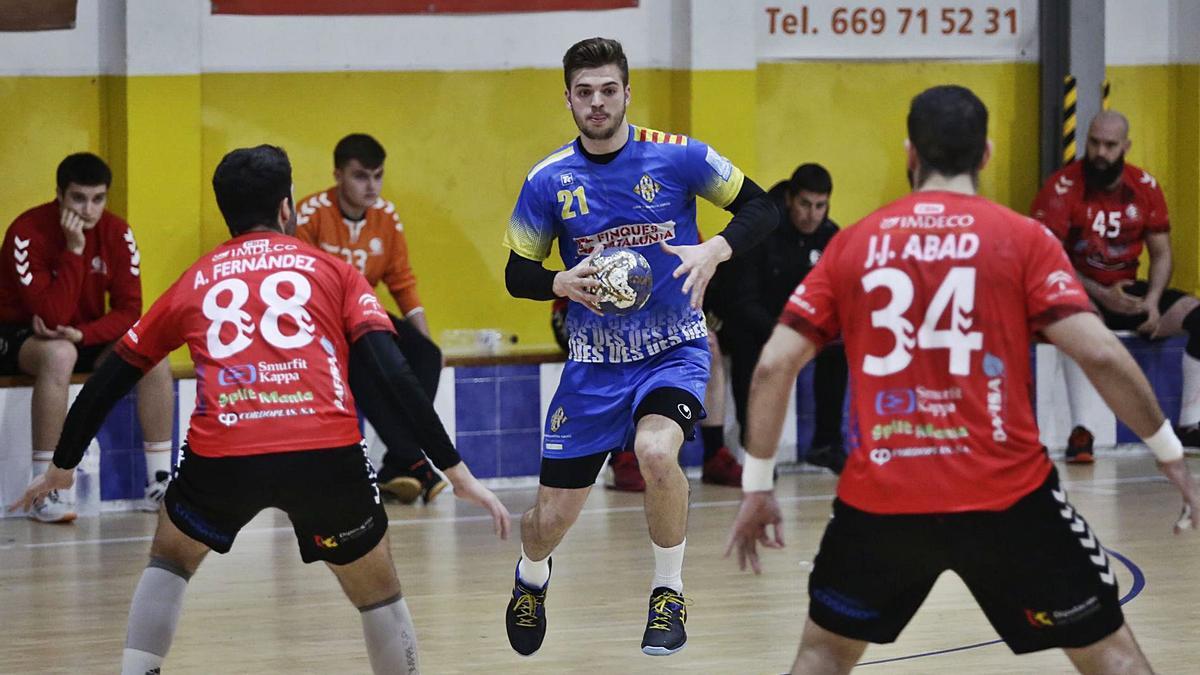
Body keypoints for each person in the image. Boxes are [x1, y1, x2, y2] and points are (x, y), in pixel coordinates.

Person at [727, 86, 1199, 674]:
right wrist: (1167, 450)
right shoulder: (1024, 240)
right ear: (986, 155)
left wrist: (758, 485)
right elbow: (1101, 355)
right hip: (1008, 498)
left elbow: (774, 365)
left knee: (822, 655)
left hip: (882, 502)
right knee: (1113, 657)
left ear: (909, 154)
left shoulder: (853, 244)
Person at [9, 145, 510, 675]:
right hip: (325, 453)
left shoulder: (195, 280)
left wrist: (63, 464)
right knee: (377, 591)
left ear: (226, 212)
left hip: (224, 453)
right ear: (287, 207)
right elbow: (394, 374)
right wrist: (454, 470)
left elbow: (114, 374)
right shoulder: (334, 273)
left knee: (170, 558)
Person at [502, 37, 777, 657]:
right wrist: (558, 281)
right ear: (568, 98)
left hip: (674, 348)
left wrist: (715, 249)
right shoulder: (548, 180)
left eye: (608, 90)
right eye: (584, 92)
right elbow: (517, 272)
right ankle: (531, 575)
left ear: (627, 92)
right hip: (593, 366)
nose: (596, 103)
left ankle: (668, 593)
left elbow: (763, 207)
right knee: (548, 523)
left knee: (657, 452)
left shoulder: (681, 158)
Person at [0, 153, 176, 522]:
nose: (89, 209)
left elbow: (131, 310)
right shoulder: (26, 232)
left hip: (81, 334)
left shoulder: (117, 232)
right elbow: (50, 317)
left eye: (98, 199)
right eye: (78, 198)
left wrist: (85, 334)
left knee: (153, 351)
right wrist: (75, 250)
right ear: (59, 195)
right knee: (60, 354)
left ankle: (159, 483)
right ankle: (43, 490)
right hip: (20, 336)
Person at [1032, 111, 1200, 462]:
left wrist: (1152, 301)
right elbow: (1047, 257)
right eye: (1094, 142)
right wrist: (1100, 293)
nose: (1100, 153)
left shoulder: (1144, 187)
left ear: (1126, 146)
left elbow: (1162, 252)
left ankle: (1191, 425)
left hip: (1129, 294)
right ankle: (1083, 433)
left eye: (1110, 145)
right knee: (1077, 318)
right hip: (1081, 291)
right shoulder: (1062, 188)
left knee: (1196, 314)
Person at [295, 133, 447, 503]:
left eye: (378, 176)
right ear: (337, 175)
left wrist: (424, 338)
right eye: (361, 176)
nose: (371, 186)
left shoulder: (386, 217)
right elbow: (295, 285)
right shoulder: (310, 215)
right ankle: (416, 463)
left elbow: (401, 281)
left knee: (427, 355)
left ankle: (400, 463)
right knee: (363, 362)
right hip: (321, 322)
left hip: (366, 317)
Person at [709, 162, 848, 473]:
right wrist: (782, 334)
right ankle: (756, 448)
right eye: (805, 204)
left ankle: (826, 444)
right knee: (750, 349)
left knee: (838, 350)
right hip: (748, 320)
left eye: (820, 206)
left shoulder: (830, 236)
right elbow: (742, 300)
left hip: (799, 326)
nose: (812, 214)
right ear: (790, 199)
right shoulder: (763, 229)